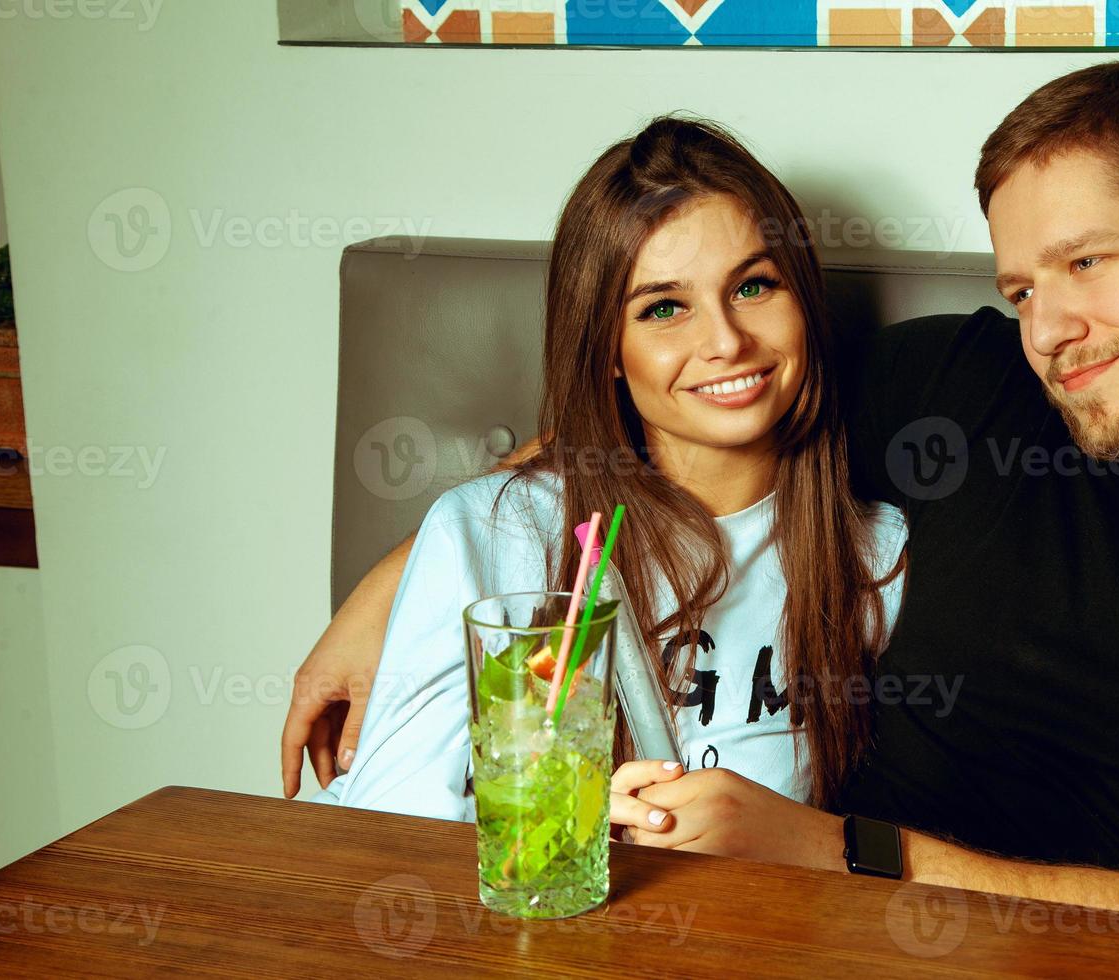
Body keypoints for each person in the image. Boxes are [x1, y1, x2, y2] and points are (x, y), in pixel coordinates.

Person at [286, 60, 1119, 942]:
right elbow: (689, 398)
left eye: (1088, 263)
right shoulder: (968, 387)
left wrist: (836, 846)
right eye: (1020, 285)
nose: (1049, 329)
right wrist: (398, 585)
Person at [305, 116, 908, 827]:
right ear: (607, 352)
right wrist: (573, 821)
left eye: (753, 287)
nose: (725, 341)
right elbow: (385, 833)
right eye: (663, 308)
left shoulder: (880, 553)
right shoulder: (499, 533)